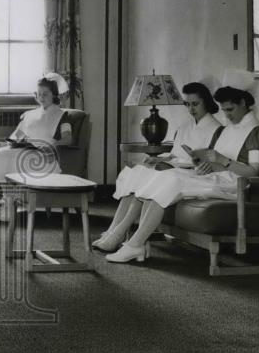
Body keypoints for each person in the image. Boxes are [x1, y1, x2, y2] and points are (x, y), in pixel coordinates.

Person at [103, 69, 259, 263]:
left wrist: (222, 162)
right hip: (214, 177)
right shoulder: (226, 129)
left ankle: (133, 244)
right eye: (223, 110)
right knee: (163, 178)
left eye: (230, 110)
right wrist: (203, 163)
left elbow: (254, 171)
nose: (227, 115)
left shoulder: (257, 132)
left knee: (171, 178)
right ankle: (134, 243)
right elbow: (212, 159)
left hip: (234, 184)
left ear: (243, 103)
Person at [93, 81, 223, 251]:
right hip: (173, 166)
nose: (191, 109)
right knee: (137, 172)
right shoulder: (185, 127)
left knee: (147, 178)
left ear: (206, 101)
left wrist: (172, 163)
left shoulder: (216, 129)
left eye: (195, 104)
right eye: (187, 104)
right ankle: (113, 231)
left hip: (191, 173)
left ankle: (117, 234)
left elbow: (205, 161)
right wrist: (158, 159)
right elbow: (175, 154)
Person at [0, 73, 73, 203]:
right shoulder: (30, 115)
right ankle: (7, 198)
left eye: (45, 94)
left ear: (54, 94)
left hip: (45, 156)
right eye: (39, 94)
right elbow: (17, 135)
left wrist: (51, 145)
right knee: (0, 155)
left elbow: (68, 139)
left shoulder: (62, 115)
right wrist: (7, 144)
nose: (41, 97)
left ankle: (11, 200)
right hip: (28, 149)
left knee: (16, 159)